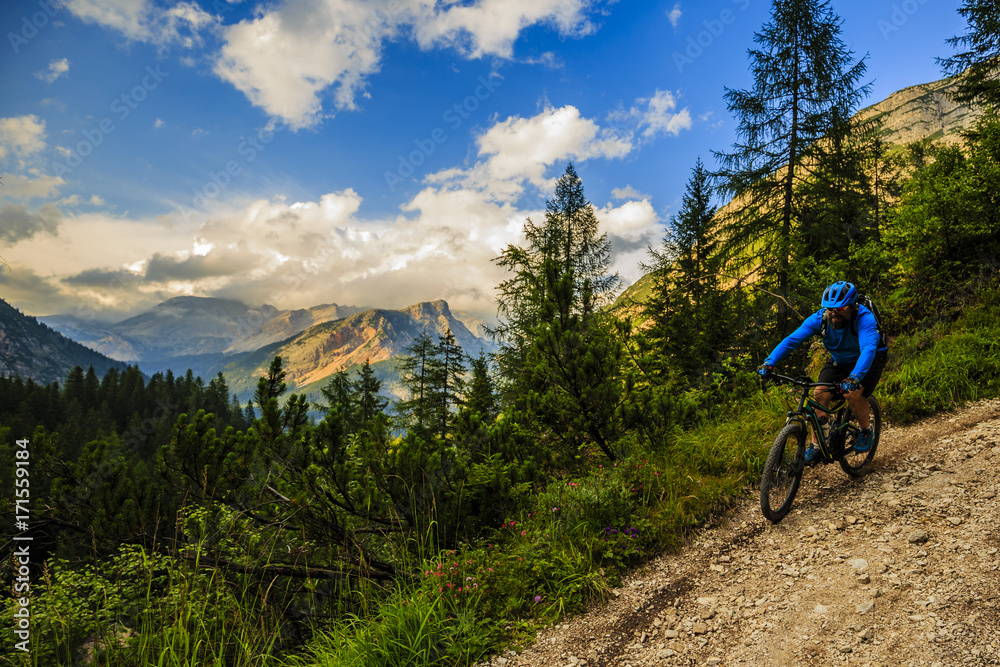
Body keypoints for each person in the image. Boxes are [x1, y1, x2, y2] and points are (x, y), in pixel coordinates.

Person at [757, 281, 889, 462]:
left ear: (851, 307)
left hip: (871, 359)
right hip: (839, 359)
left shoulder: (864, 319)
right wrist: (769, 363)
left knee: (852, 393)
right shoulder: (819, 320)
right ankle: (817, 445)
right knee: (819, 395)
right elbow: (792, 340)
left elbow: (868, 350)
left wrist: (854, 377)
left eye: (840, 308)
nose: (834, 312)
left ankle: (866, 431)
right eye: (829, 308)